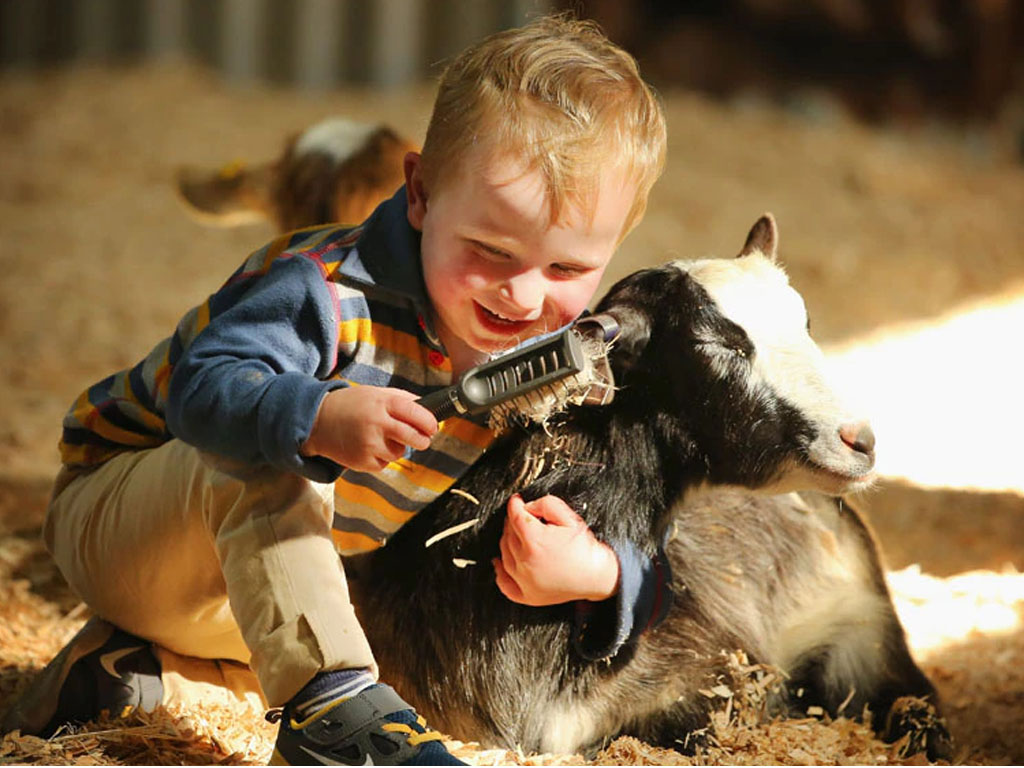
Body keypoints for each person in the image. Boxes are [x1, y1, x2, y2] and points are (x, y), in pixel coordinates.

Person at [1, 14, 667, 766]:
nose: (520, 295)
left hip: (274, 580)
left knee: (375, 622)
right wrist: (314, 412)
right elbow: (202, 391)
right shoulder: (322, 290)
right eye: (490, 250)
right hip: (125, 517)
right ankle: (335, 717)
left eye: (567, 270)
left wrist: (604, 573)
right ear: (418, 194)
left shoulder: (554, 361)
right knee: (272, 445)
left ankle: (130, 681)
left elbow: (645, 527)